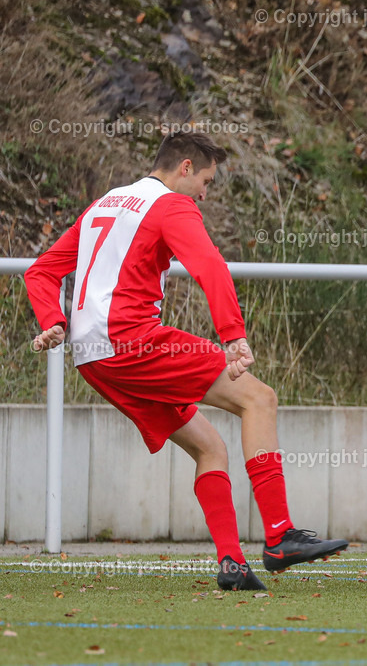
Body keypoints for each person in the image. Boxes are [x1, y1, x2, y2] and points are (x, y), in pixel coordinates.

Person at [24, 132, 348, 591]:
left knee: (209, 447)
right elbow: (209, 265)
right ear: (185, 168)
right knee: (259, 399)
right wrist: (233, 336)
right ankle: (279, 537)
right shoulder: (171, 205)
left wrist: (54, 319)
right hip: (132, 341)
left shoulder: (106, 204)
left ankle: (233, 565)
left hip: (93, 359)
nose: (205, 193)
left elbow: (41, 270)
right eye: (207, 182)